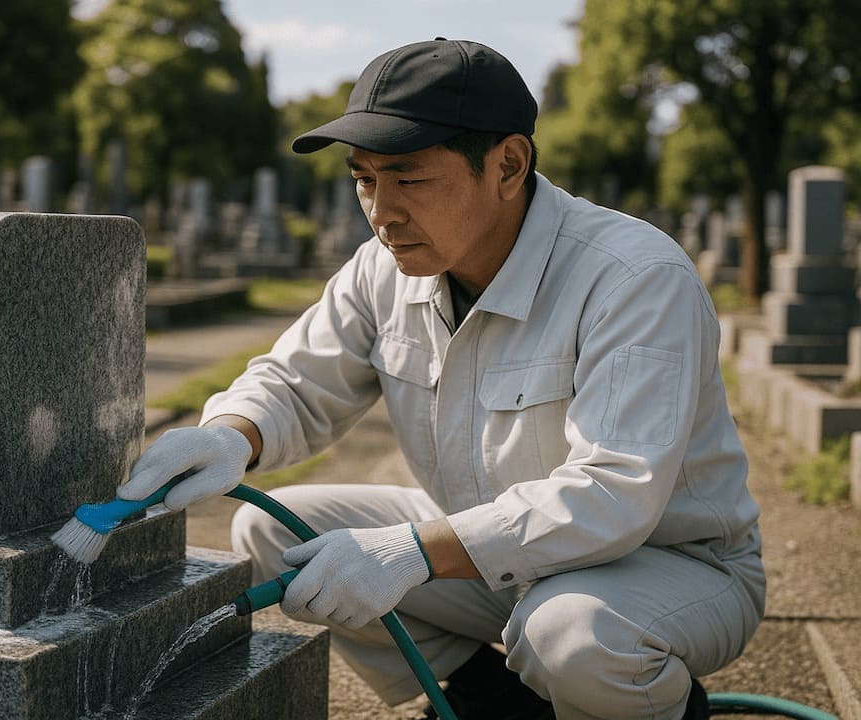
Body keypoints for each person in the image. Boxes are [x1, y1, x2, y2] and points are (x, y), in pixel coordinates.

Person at [119, 38, 763, 720]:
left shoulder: (633, 278)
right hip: (486, 554)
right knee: (273, 533)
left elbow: (613, 493)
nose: (382, 211)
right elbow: (297, 380)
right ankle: (491, 700)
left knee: (570, 636)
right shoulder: (383, 268)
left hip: (666, 568)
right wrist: (230, 435)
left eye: (409, 179)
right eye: (365, 180)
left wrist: (411, 551)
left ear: (508, 165)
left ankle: (652, 704)